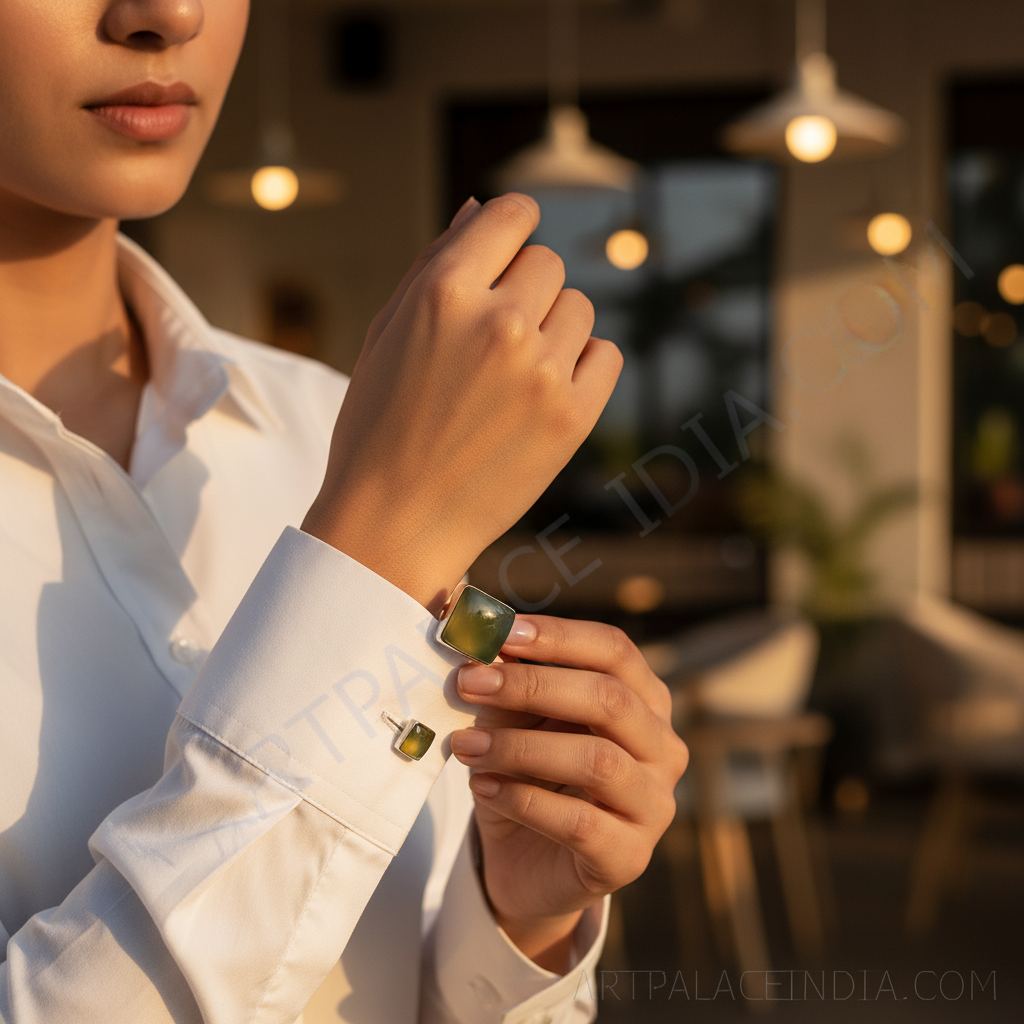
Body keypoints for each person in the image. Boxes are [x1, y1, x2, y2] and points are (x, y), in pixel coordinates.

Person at [0, 2, 688, 1022]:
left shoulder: (327, 419)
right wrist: (373, 546)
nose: (166, 12)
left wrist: (506, 927)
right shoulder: (379, 478)